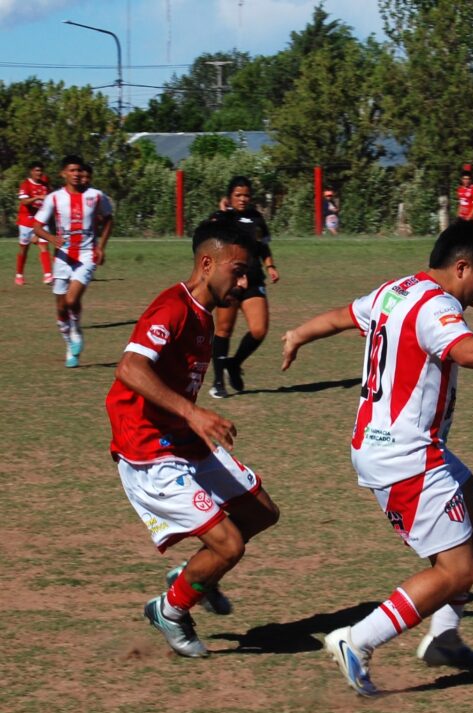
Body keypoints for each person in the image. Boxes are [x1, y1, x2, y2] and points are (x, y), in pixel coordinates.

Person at [281, 220, 473, 696]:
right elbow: (468, 350)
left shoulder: (397, 290)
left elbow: (343, 315)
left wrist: (299, 333)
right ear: (461, 267)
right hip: (404, 455)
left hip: (400, 445)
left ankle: (444, 637)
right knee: (457, 570)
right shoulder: (436, 306)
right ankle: (357, 640)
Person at [106, 217, 280, 658]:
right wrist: (192, 412)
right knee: (229, 544)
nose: (244, 283)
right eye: (237, 272)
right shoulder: (172, 308)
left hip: (182, 439)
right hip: (148, 448)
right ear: (207, 264)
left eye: (247, 274)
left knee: (261, 513)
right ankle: (171, 610)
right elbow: (129, 368)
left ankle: (197, 574)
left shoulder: (204, 313)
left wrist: (189, 419)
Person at [33, 155, 113, 368]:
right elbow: (37, 226)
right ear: (63, 173)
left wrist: (101, 247)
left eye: (79, 170)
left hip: (86, 255)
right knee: (61, 308)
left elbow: (108, 219)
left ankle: (76, 329)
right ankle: (69, 343)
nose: (76, 174)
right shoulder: (54, 198)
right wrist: (51, 238)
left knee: (71, 300)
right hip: (62, 257)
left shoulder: (96, 196)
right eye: (72, 170)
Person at [208, 176, 280, 398]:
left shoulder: (256, 218)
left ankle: (234, 363)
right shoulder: (220, 218)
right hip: (228, 282)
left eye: (246, 195)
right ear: (229, 197)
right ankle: (218, 382)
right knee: (224, 330)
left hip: (254, 280)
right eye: (237, 195)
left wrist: (270, 266)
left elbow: (262, 247)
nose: (242, 199)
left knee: (259, 330)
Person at [15, 162, 53, 286]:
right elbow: (24, 202)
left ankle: (48, 275)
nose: (39, 173)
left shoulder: (45, 184)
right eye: (37, 170)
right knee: (24, 248)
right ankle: (19, 274)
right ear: (31, 171)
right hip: (26, 221)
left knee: (44, 245)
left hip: (40, 221)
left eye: (41, 170)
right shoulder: (25, 184)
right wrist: (37, 197)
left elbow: (50, 199)